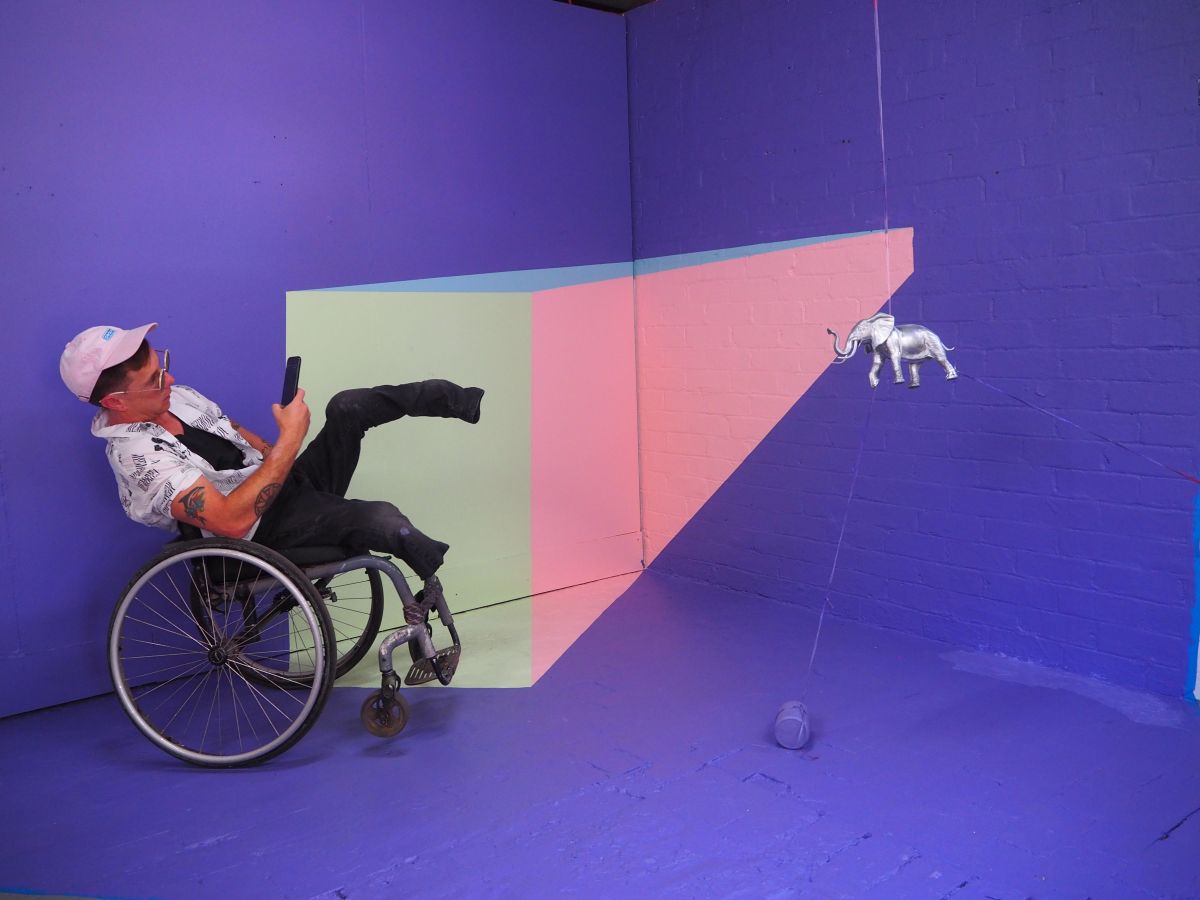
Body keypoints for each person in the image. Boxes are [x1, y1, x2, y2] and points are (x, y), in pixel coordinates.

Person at [60, 322, 483, 615]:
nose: (169, 380)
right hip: (257, 533)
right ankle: (431, 580)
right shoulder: (136, 456)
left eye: (162, 365)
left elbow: (242, 437)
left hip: (283, 489)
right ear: (115, 402)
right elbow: (230, 519)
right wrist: (292, 440)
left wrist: (279, 444)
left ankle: (459, 400)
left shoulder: (181, 398)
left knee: (348, 406)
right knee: (382, 518)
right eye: (155, 379)